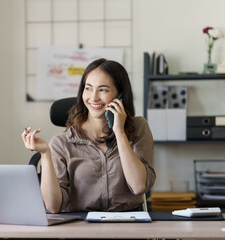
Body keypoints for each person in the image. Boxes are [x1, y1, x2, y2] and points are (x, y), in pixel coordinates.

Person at [22, 58, 155, 213]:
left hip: (126, 223)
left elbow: (138, 186)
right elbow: (53, 207)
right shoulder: (61, 143)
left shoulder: (138, 128)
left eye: (103, 90)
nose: (93, 98)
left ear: (120, 95)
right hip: (79, 227)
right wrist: (45, 154)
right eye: (88, 88)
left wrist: (119, 132)